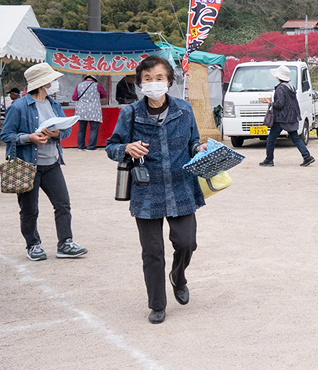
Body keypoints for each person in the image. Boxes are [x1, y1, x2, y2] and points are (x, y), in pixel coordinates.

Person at [105, 56, 207, 325]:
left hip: (181, 187)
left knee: (187, 242)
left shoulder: (184, 110)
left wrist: (199, 149)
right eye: (147, 79)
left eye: (159, 78)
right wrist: (126, 148)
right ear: (139, 83)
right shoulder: (130, 113)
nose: (153, 83)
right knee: (152, 252)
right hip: (146, 191)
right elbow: (111, 146)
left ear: (169, 81)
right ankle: (157, 304)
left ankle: (178, 275)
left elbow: (193, 141)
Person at [1, 63, 87, 261]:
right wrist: (29, 138)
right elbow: (6, 134)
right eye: (52, 80)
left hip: (52, 163)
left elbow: (65, 129)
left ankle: (65, 243)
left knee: (63, 204)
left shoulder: (54, 104)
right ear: (42, 83)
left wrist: (58, 133)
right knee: (30, 209)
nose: (55, 83)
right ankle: (33, 245)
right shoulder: (19, 106)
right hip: (27, 165)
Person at [259, 65, 314, 167]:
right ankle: (307, 157)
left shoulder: (280, 88)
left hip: (281, 118)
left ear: (278, 77)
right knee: (295, 138)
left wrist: (269, 102)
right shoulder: (290, 86)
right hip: (291, 117)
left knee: (271, 139)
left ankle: (269, 160)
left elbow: (280, 104)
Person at [71, 74, 108, 150]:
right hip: (94, 110)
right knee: (94, 129)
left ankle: (81, 147)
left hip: (81, 110)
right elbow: (104, 95)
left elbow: (74, 98)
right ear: (94, 79)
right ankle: (90, 147)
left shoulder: (79, 85)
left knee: (81, 129)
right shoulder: (97, 85)